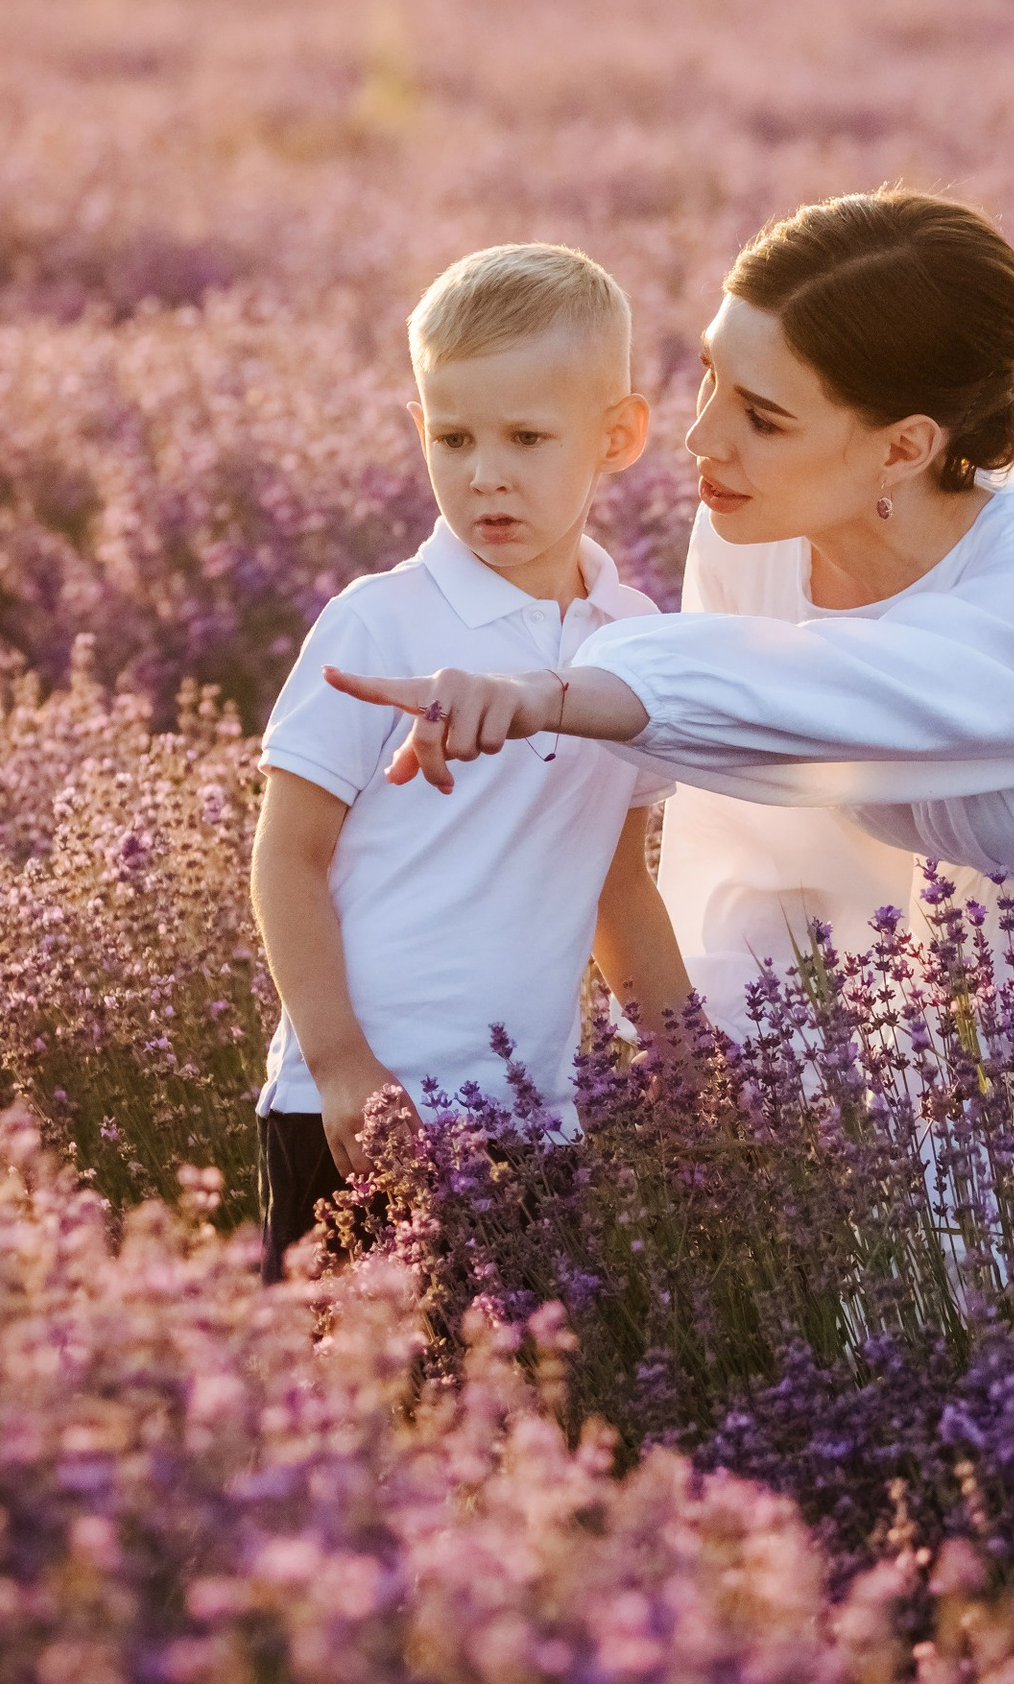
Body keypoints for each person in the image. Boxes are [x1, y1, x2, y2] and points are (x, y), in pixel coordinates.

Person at [322, 191, 1014, 1096]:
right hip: (949, 994)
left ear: (906, 447)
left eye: (763, 416)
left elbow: (831, 696)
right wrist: (719, 1076)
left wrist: (558, 692)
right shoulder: (753, 536)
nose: (699, 439)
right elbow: (760, 829)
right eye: (707, 377)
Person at [250, 242, 689, 1283]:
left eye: (527, 437)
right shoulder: (377, 621)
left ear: (616, 437)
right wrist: (341, 1064)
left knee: (509, 1419)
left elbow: (618, 888)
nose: (484, 472)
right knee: (340, 1416)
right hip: (354, 1111)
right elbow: (286, 859)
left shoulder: (629, 638)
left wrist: (692, 1070)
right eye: (452, 437)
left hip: (530, 1121)